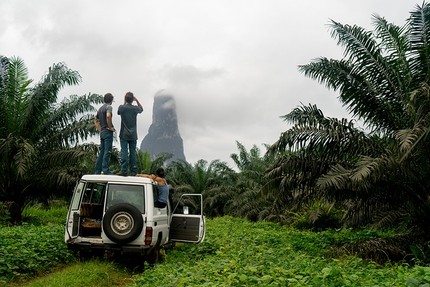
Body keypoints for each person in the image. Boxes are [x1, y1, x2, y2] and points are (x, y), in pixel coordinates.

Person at [117, 92, 143, 176]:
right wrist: (137, 101)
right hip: (133, 135)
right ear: (132, 99)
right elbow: (141, 109)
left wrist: (124, 102)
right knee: (133, 153)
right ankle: (133, 171)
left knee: (124, 152)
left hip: (124, 134)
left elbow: (118, 112)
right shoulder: (135, 108)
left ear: (125, 99)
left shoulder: (122, 108)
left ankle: (124, 171)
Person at [94, 93, 115, 175]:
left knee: (102, 151)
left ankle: (97, 170)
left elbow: (95, 120)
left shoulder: (100, 109)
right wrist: (110, 127)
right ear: (111, 100)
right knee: (107, 150)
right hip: (107, 132)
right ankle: (105, 169)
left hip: (102, 132)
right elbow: (108, 116)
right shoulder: (108, 107)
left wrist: (100, 129)